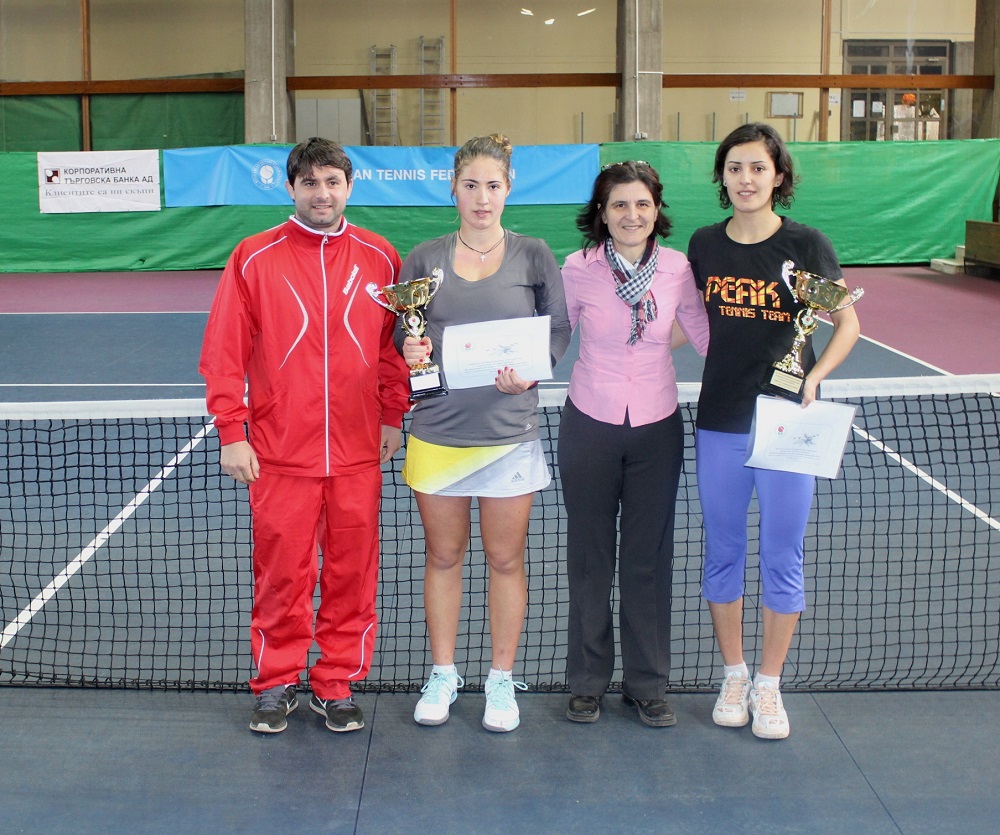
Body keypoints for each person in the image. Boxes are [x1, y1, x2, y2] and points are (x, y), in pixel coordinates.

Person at [199, 137, 411, 735]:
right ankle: (275, 681)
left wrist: (392, 415)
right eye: (310, 182)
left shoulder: (381, 257)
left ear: (349, 187)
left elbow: (392, 350)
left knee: (352, 573)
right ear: (290, 187)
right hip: (278, 452)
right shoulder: (252, 257)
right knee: (282, 574)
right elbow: (223, 351)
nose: (322, 193)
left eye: (333, 182)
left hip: (357, 451)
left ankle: (336, 682)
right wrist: (232, 430)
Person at [687, 123, 861, 740]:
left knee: (783, 555)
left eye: (758, 168)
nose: (746, 179)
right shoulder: (704, 244)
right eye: (735, 168)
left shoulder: (806, 244)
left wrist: (815, 378)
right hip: (721, 422)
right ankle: (733, 675)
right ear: (722, 176)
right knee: (723, 551)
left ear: (778, 175)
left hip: (789, 423)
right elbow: (689, 319)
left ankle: (769, 683)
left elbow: (847, 323)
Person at [397, 134, 571, 732]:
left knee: (504, 559)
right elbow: (402, 333)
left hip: (509, 434)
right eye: (470, 185)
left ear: (508, 188)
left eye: (492, 185)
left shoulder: (534, 255)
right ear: (453, 188)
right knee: (443, 556)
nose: (481, 197)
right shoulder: (423, 259)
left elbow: (558, 330)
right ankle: (443, 672)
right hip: (438, 433)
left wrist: (533, 371)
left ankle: (500, 678)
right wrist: (410, 348)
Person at [558, 161, 709, 727]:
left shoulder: (677, 269)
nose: (631, 214)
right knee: (590, 559)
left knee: (648, 559)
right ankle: (587, 683)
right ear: (602, 212)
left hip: (657, 427)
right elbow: (554, 336)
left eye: (642, 203)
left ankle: (647, 684)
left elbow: (706, 333)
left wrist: (770, 361)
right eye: (619, 204)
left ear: (656, 210)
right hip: (589, 423)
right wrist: (513, 370)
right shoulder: (577, 269)